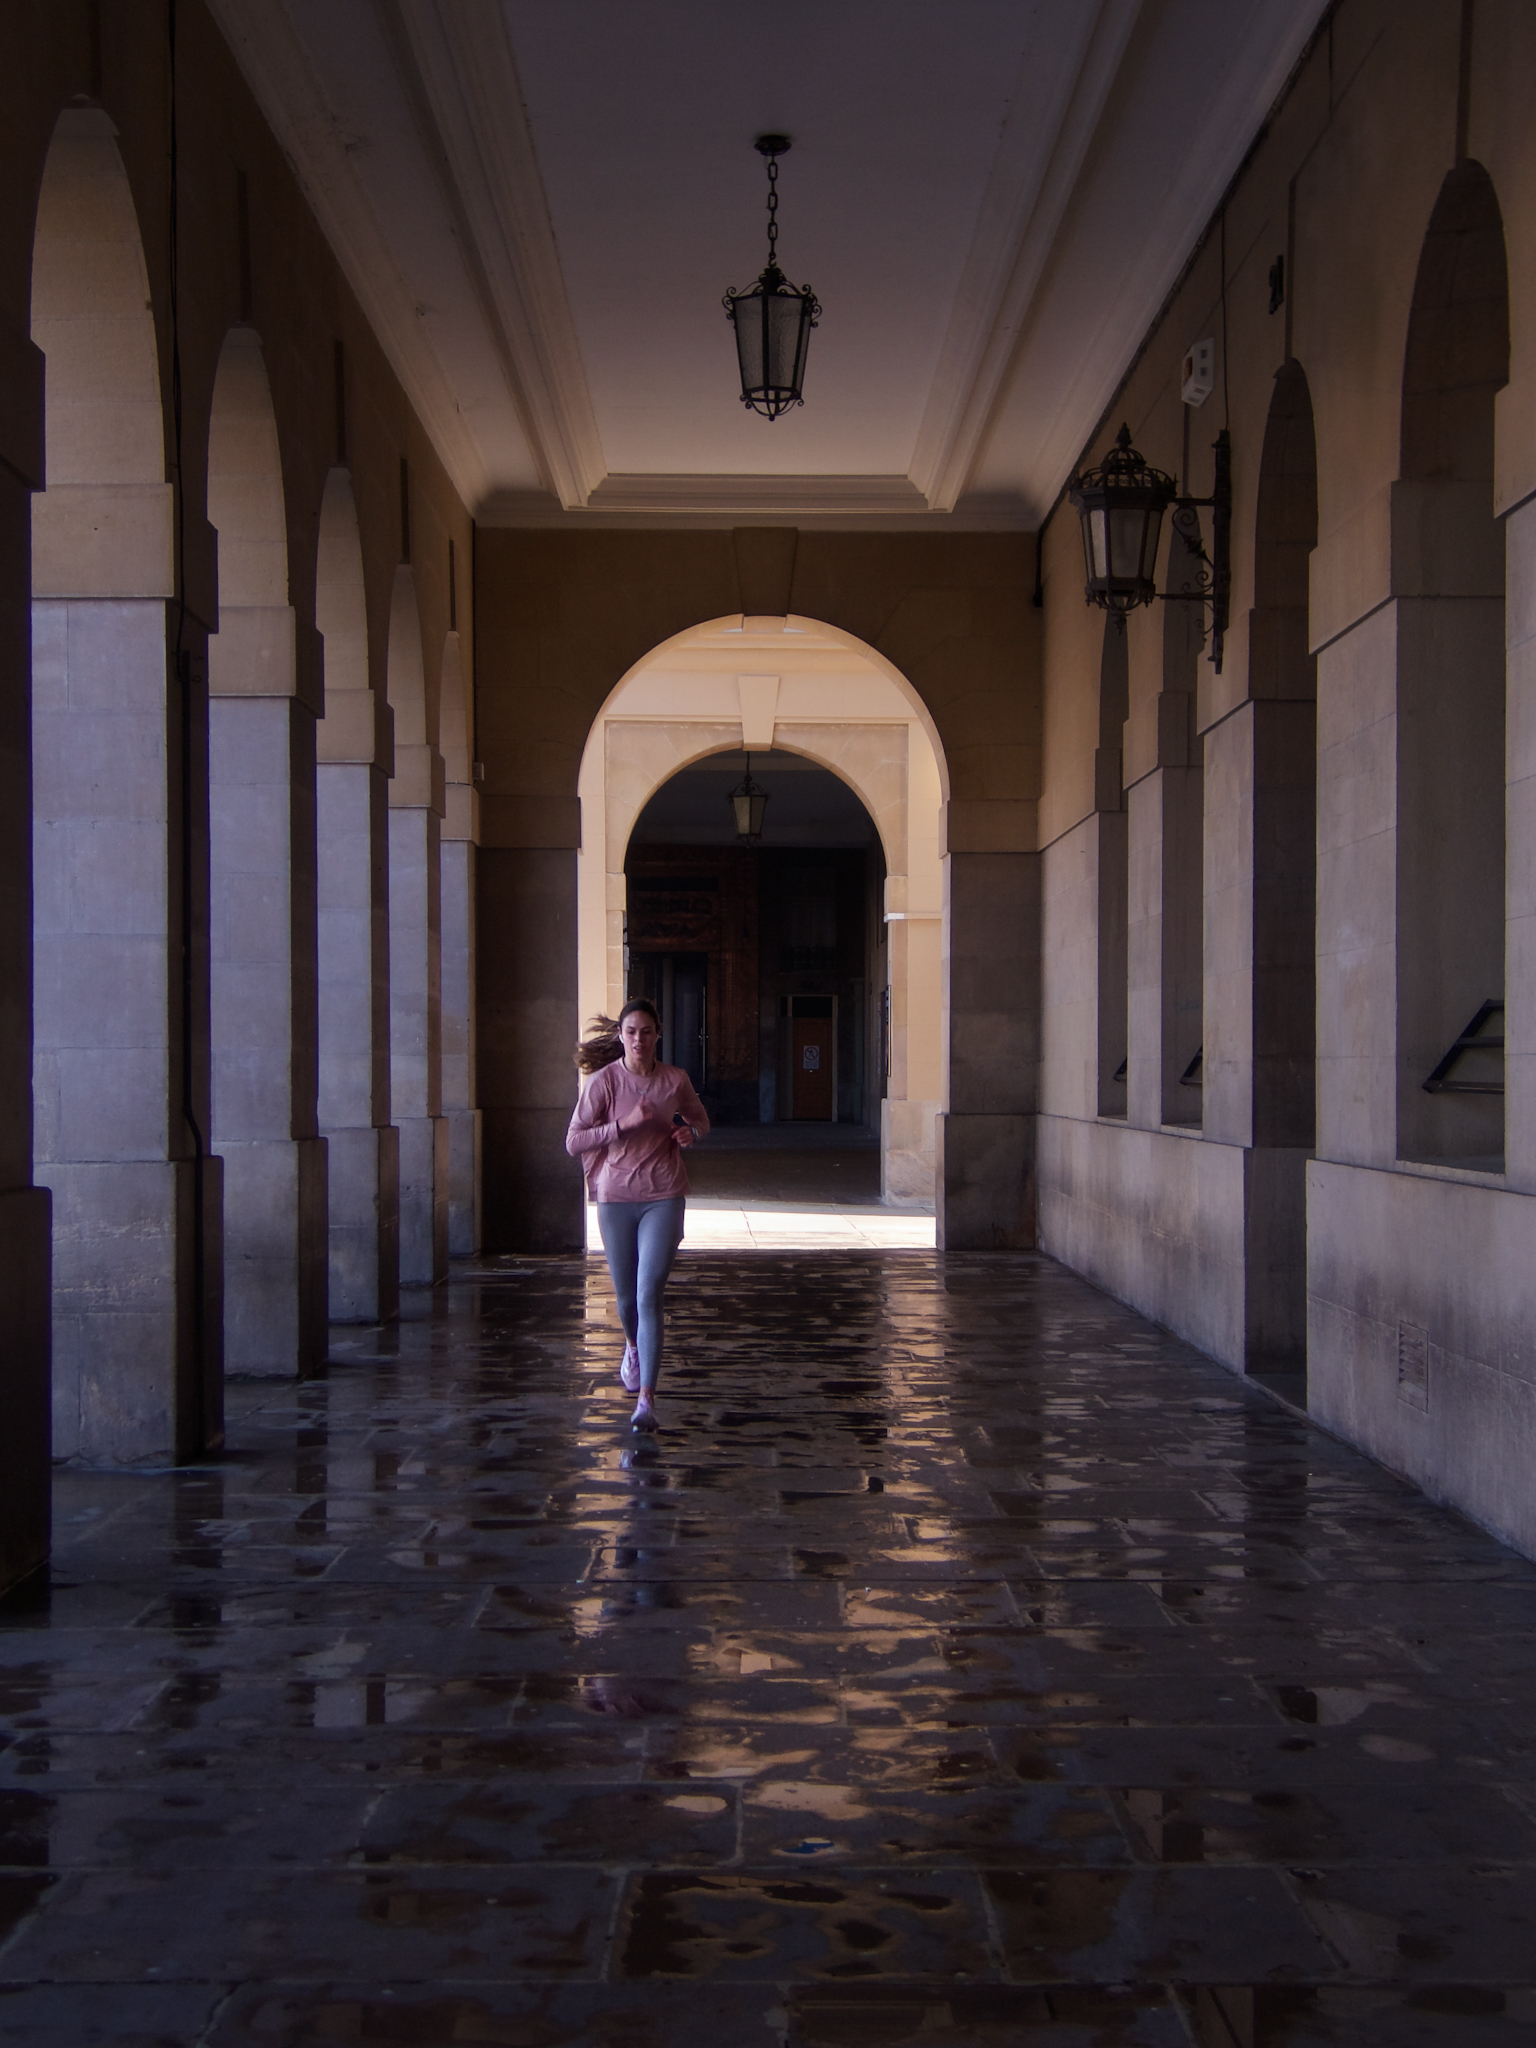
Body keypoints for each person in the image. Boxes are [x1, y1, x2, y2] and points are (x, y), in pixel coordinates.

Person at [566, 999, 709, 1430]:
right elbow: (573, 1141)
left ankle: (646, 1398)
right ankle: (631, 1345)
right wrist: (623, 1124)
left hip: (664, 1194)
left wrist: (690, 1132)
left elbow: (700, 1120)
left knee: (648, 1295)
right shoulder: (605, 1082)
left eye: (646, 1032)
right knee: (627, 1299)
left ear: (657, 1034)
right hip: (616, 1197)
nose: (639, 1040)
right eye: (631, 1032)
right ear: (621, 1036)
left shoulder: (674, 1079)